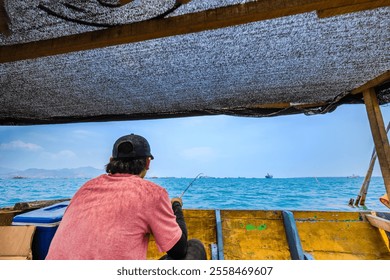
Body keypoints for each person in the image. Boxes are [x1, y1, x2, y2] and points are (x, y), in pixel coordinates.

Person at [46, 133, 206, 260]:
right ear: (147, 163)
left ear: (111, 160)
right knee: (195, 247)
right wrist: (176, 206)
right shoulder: (153, 193)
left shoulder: (85, 188)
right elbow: (179, 250)